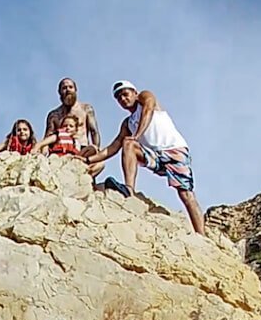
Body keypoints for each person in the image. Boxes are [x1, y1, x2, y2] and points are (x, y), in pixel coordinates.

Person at [84, 81, 205, 234]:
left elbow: (148, 110)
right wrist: (88, 160)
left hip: (173, 150)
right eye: (119, 97)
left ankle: (202, 235)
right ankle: (129, 189)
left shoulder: (145, 96)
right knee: (128, 144)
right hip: (154, 156)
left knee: (186, 194)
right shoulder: (127, 124)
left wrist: (137, 135)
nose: (123, 99)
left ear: (135, 93)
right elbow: (113, 147)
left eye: (125, 94)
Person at [44, 78, 100, 151]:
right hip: (61, 151)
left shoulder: (86, 109)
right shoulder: (54, 115)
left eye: (70, 87)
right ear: (59, 92)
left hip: (82, 149)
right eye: (64, 88)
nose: (68, 90)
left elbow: (94, 132)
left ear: (75, 90)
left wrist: (96, 151)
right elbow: (47, 138)